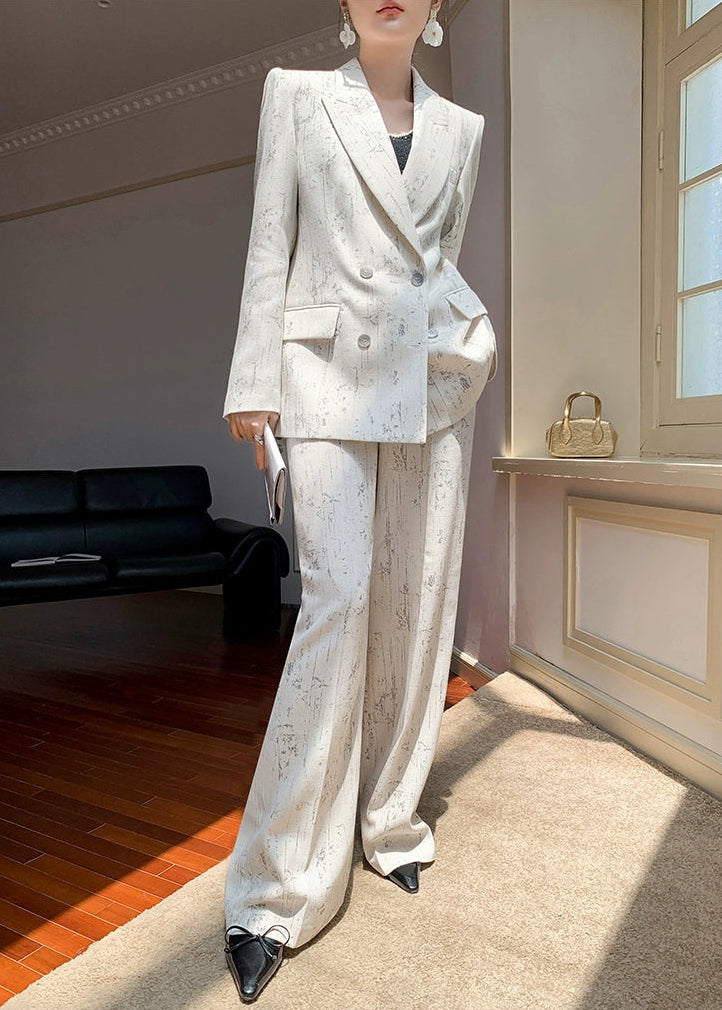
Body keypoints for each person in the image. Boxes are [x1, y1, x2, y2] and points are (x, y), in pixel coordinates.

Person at [221, 0, 497, 1002]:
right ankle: (275, 888)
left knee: (416, 604)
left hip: (431, 384)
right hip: (322, 374)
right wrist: (252, 381)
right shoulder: (295, 96)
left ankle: (387, 820)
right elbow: (271, 240)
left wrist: (470, 334)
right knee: (336, 600)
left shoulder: (462, 128)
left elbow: (437, 257)